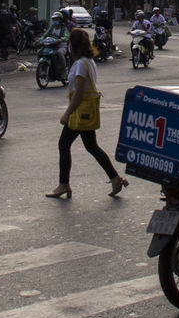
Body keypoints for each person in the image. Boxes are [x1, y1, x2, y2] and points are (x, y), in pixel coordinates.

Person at [47, 28, 128, 199]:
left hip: (79, 111)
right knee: (92, 147)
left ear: (73, 46)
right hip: (87, 112)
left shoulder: (80, 65)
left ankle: (63, 185)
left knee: (64, 144)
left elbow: (79, 93)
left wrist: (67, 114)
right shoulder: (88, 61)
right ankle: (115, 179)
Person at [46, 11, 73, 79]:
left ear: (60, 20)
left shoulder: (64, 28)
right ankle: (44, 69)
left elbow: (67, 36)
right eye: (54, 19)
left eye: (57, 19)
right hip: (51, 45)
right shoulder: (52, 27)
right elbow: (45, 35)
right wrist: (39, 40)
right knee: (40, 52)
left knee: (59, 53)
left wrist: (61, 39)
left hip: (61, 45)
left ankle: (63, 71)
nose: (55, 21)